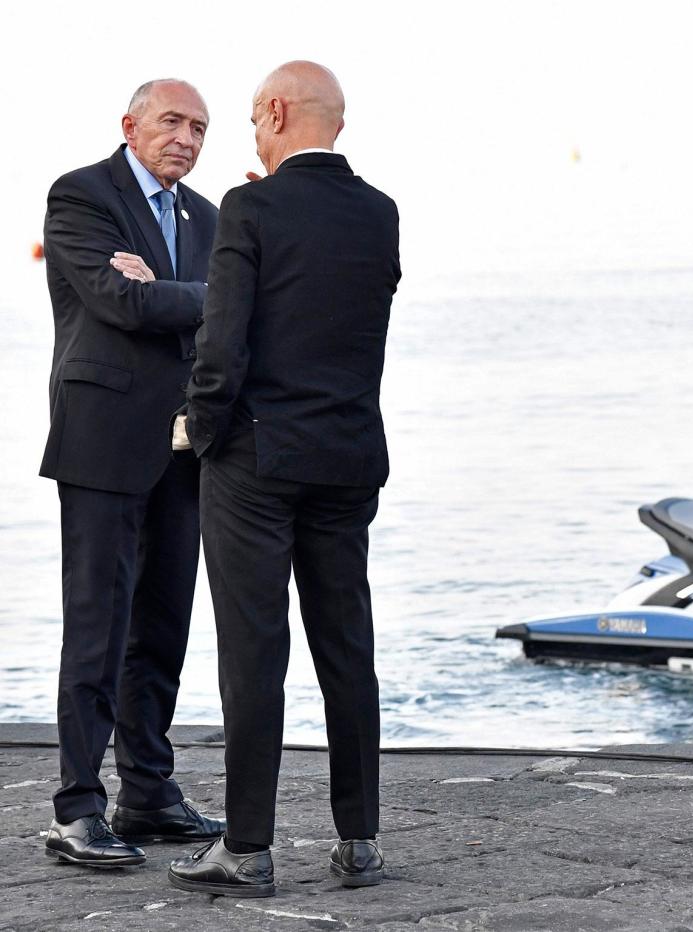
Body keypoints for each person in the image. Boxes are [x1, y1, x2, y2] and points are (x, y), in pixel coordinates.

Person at [168, 61, 401, 898]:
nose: (250, 136)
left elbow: (223, 344)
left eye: (251, 120)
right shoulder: (380, 214)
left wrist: (200, 428)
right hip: (348, 457)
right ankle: (360, 839)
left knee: (254, 652)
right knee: (347, 646)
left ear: (273, 111)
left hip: (258, 460)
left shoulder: (249, 207)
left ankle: (250, 846)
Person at [39, 79, 225, 868]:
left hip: (184, 448)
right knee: (97, 623)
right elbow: (120, 304)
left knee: (162, 625)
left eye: (201, 128)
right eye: (173, 122)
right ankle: (78, 808)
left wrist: (182, 293)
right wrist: (203, 297)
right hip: (102, 439)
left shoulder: (207, 216)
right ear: (131, 125)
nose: (186, 137)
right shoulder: (82, 195)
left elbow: (229, 313)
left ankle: (147, 792)